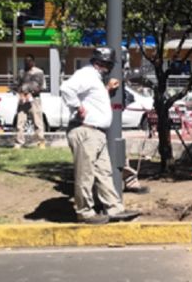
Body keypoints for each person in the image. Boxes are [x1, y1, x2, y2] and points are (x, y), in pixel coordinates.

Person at [59, 47, 140, 225]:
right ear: (103, 63)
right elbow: (66, 88)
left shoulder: (94, 78)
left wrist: (105, 89)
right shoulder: (86, 74)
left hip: (96, 133)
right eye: (109, 64)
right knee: (85, 174)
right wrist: (77, 106)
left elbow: (91, 98)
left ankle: (114, 208)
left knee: (104, 172)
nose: (110, 68)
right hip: (86, 131)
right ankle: (85, 212)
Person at [13, 54, 46, 149]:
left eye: (29, 61)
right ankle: (18, 142)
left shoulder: (39, 72)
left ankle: (40, 142)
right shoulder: (21, 72)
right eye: (25, 61)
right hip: (23, 100)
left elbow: (41, 87)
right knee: (20, 121)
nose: (27, 63)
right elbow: (16, 85)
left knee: (38, 121)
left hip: (34, 99)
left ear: (33, 62)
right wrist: (21, 94)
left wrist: (31, 94)